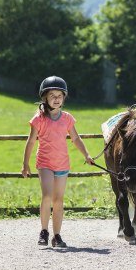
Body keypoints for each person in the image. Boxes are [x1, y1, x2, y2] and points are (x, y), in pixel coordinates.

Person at [22, 76, 94, 247]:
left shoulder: (67, 118)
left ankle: (57, 235)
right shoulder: (38, 119)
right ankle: (44, 231)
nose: (56, 99)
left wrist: (87, 155)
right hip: (45, 162)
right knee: (47, 196)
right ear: (45, 97)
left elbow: (75, 138)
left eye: (59, 96)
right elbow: (31, 141)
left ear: (64, 98)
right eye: (52, 95)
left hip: (62, 163)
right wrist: (25, 164)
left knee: (59, 201)